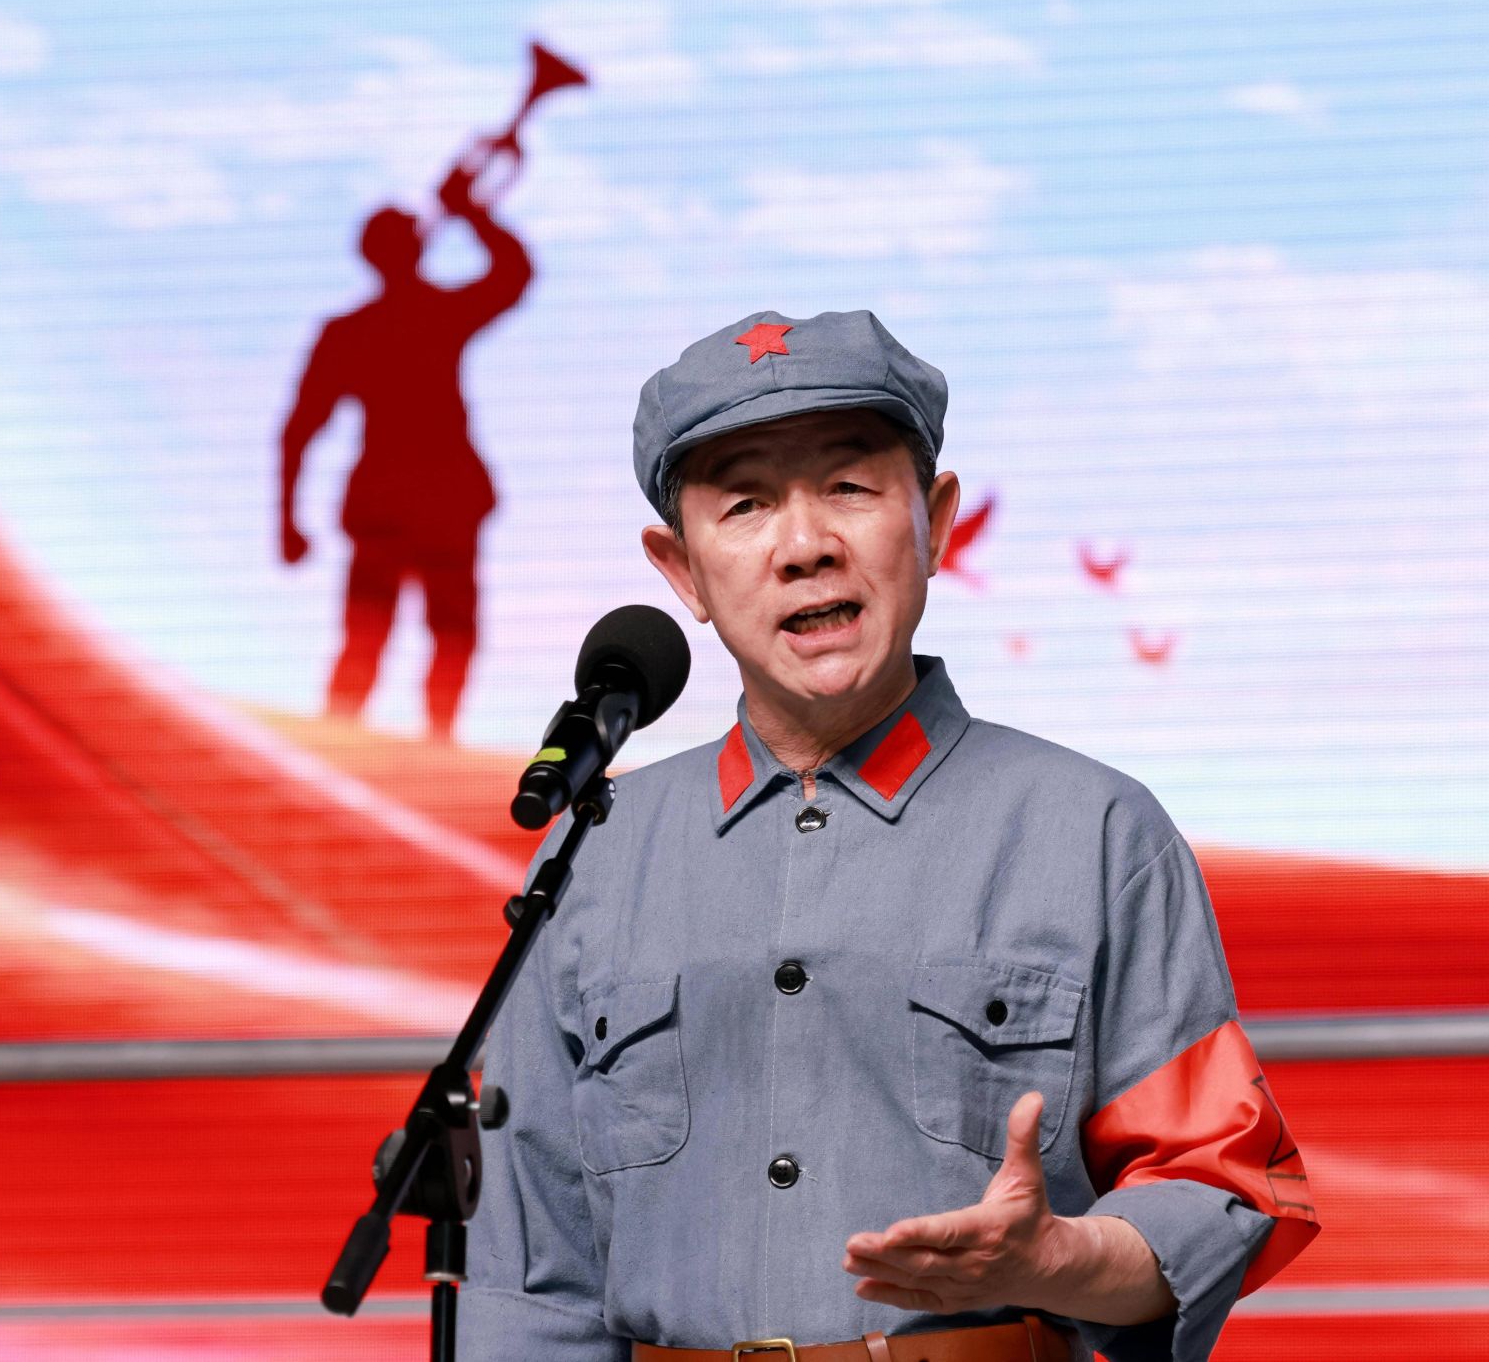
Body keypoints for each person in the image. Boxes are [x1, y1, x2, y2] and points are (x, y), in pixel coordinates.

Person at [461, 310, 1320, 1361]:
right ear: (680, 570)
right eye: (744, 504)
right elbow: (527, 1285)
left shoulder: (1097, 832)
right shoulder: (592, 855)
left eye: (849, 487)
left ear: (937, 521)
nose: (804, 546)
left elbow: (1221, 1186)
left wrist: (1059, 1259)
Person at [277, 164, 533, 737]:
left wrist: (288, 520)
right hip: (423, 500)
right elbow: (514, 273)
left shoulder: (355, 331)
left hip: (406, 501)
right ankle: (403, 740)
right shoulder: (426, 316)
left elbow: (299, 431)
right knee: (419, 634)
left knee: (410, 634)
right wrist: (469, 210)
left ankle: (389, 742)